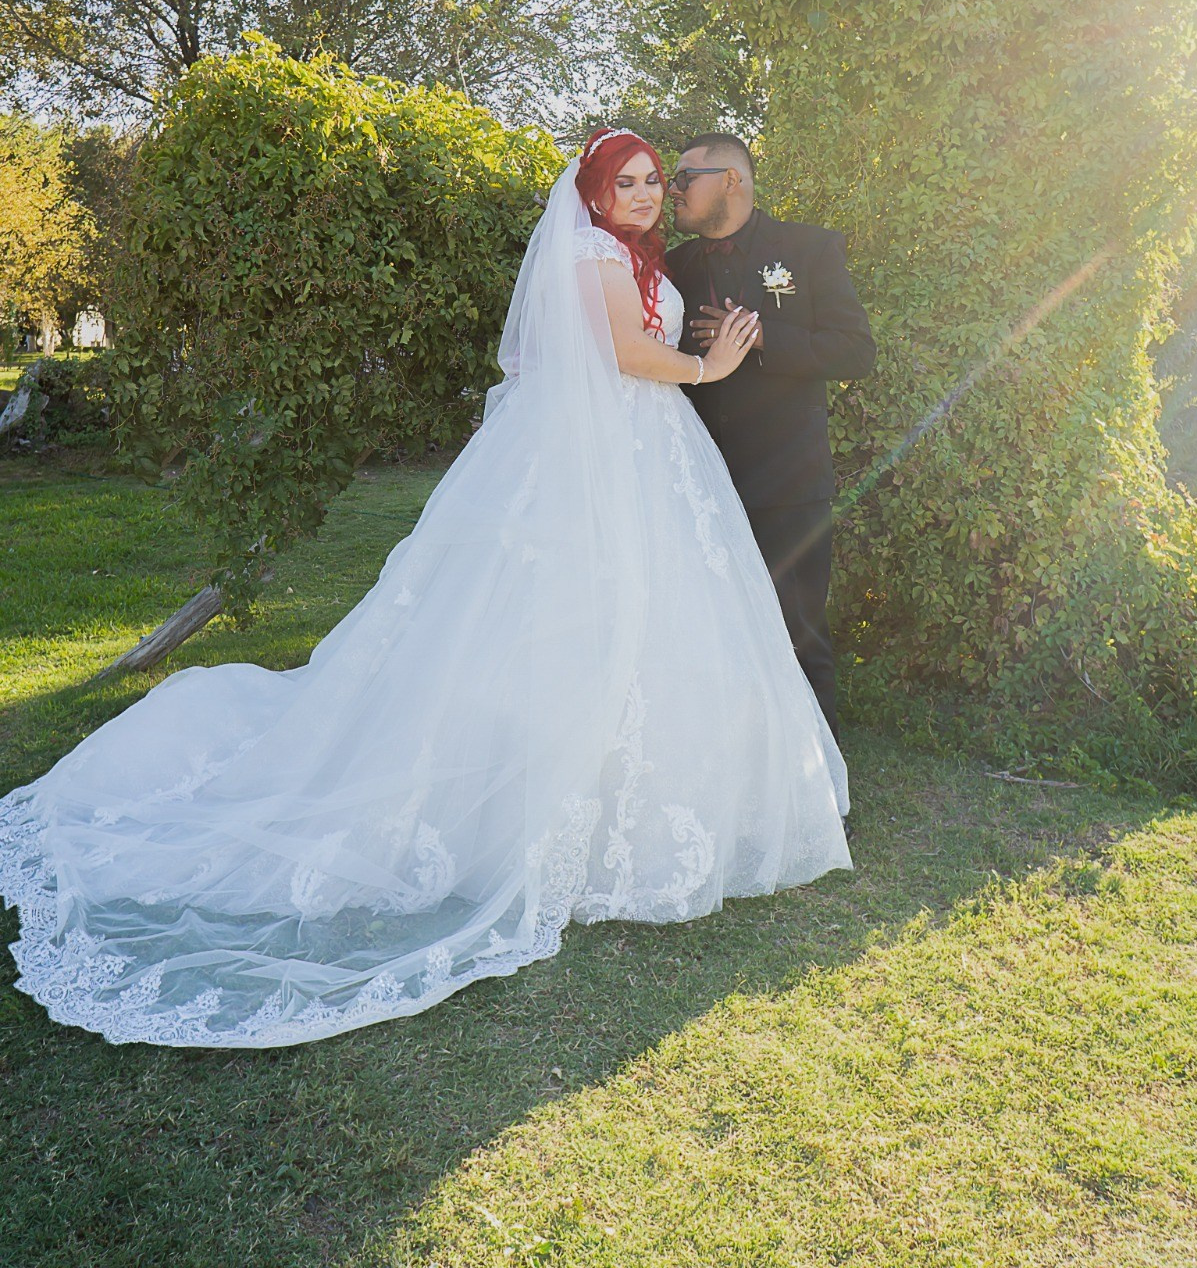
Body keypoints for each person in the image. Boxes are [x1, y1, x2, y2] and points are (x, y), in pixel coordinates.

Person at [0, 129, 851, 1051]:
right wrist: (706, 368)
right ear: (593, 194)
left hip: (652, 454)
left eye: (655, 181)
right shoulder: (589, 250)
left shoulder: (648, 253)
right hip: (607, 449)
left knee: (661, 618)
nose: (647, 194)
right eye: (630, 182)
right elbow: (622, 352)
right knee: (578, 611)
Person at [666, 133, 876, 747]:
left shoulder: (810, 250)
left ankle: (822, 789)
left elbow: (856, 351)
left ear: (731, 179)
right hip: (696, 481)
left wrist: (762, 340)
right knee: (706, 631)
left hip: (788, 486)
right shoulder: (672, 267)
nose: (672, 191)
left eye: (684, 177)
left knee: (799, 632)